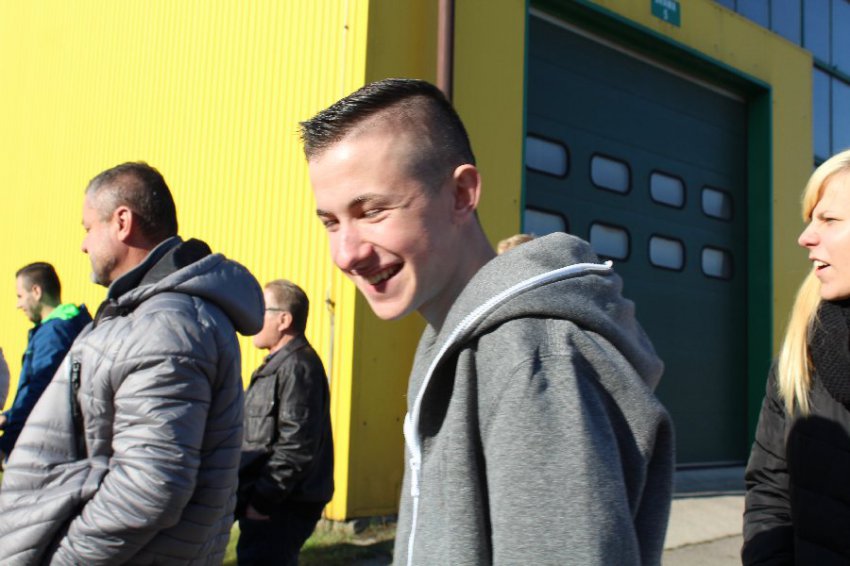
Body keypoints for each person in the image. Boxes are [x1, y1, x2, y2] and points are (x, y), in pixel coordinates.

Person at [301, 78, 673, 565]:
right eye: (331, 222)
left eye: (372, 212)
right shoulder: (454, 340)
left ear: (461, 194)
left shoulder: (530, 358)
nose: (346, 254)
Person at [0, 161, 264, 564]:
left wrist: (62, 559)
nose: (83, 245)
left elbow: (148, 489)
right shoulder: (150, 316)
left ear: (122, 222)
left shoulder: (166, 328)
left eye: (88, 228)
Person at [743, 149, 850, 564]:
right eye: (810, 219)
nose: (805, 237)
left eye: (829, 219)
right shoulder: (798, 360)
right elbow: (770, 494)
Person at [237, 279, 334, 565]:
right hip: (268, 502)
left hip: (281, 505)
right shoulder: (278, 365)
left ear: (284, 320)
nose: (254, 318)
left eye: (261, 310)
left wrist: (262, 502)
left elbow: (296, 446)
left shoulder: (298, 367)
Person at [0, 262, 91, 461]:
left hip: (47, 446)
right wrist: (10, 416)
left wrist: (7, 444)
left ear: (36, 291)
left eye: (20, 296)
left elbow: (39, 392)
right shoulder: (73, 325)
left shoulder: (53, 334)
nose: (18, 305)